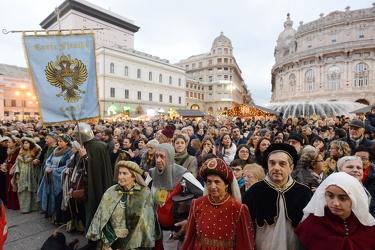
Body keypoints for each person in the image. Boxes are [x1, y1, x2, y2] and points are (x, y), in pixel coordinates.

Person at [243, 143, 312, 250]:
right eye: (272, 163)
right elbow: (245, 230)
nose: (276, 168)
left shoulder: (303, 193)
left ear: (291, 167)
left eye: (282, 164)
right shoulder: (254, 192)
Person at [181, 158, 255, 250]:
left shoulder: (238, 209)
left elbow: (244, 243)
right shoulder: (197, 204)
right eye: (209, 182)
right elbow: (189, 238)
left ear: (226, 184)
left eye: (217, 182)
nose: (212, 186)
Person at [86, 161, 161, 250]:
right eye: (119, 173)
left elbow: (143, 224)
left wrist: (126, 248)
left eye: (125, 173)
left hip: (135, 244)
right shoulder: (111, 192)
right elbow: (102, 218)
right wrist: (107, 243)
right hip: (113, 242)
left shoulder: (144, 194)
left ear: (133, 176)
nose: (120, 177)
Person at [295, 172, 375, 249]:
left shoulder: (367, 226)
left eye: (343, 198)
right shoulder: (312, 225)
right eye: (330, 196)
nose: (336, 203)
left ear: (354, 198)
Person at [147, 143, 203, 250]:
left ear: (170, 157)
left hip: (176, 234)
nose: (158, 160)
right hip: (156, 232)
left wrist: (189, 220)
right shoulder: (152, 174)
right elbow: (142, 197)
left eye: (162, 156)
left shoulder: (183, 175)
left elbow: (203, 197)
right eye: (157, 156)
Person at [71, 123, 113, 248]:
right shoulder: (86, 146)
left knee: (95, 211)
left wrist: (85, 156)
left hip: (97, 185)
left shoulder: (98, 147)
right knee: (88, 212)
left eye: (77, 136)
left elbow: (96, 169)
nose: (76, 139)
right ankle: (91, 237)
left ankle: (95, 240)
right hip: (87, 185)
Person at [37, 134, 72, 224]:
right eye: (58, 141)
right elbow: (48, 161)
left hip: (61, 180)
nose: (59, 143)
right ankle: (52, 216)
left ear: (67, 142)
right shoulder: (56, 150)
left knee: (59, 199)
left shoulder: (69, 152)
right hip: (51, 178)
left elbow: (68, 165)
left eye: (61, 141)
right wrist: (47, 167)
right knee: (51, 197)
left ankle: (60, 219)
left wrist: (54, 170)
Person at [14, 137, 41, 213]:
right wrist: (17, 172)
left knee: (33, 189)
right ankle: (25, 208)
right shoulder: (21, 153)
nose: (25, 145)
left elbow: (39, 163)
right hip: (23, 174)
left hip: (32, 174)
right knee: (23, 190)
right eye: (24, 143)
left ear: (31, 144)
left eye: (27, 143)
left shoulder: (36, 153)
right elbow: (17, 164)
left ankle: (34, 207)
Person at [0, 137, 21, 210]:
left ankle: (16, 204)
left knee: (13, 186)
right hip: (8, 169)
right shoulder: (9, 150)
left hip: (14, 169)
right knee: (8, 186)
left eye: (9, 142)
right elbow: (7, 160)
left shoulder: (18, 151)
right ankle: (10, 203)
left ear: (14, 143)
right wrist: (4, 165)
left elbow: (17, 161)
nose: (7, 143)